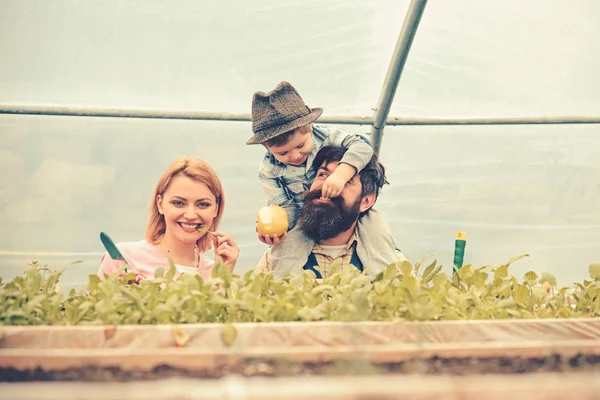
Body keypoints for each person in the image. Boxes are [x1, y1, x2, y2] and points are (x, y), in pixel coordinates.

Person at [246, 81, 400, 277]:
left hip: (359, 217)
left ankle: (387, 286)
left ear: (309, 128)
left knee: (378, 237)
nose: (294, 156)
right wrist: (278, 230)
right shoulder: (269, 170)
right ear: (267, 149)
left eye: (300, 146)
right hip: (305, 215)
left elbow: (363, 147)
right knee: (285, 253)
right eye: (283, 153)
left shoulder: (329, 137)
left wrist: (341, 176)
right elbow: (283, 205)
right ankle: (280, 289)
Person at [255, 145, 407, 279]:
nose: (328, 185)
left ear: (366, 202)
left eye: (345, 181)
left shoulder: (393, 264)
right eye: (322, 175)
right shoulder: (275, 259)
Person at [97, 156, 240, 280]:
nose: (190, 215)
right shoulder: (123, 258)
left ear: (216, 208)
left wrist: (222, 278)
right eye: (178, 203)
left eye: (202, 204)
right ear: (160, 204)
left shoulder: (214, 271)